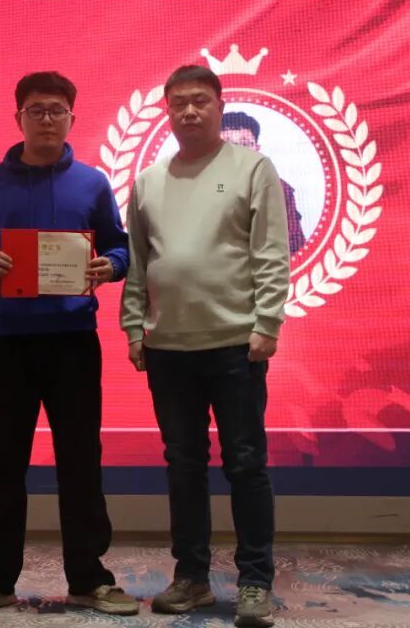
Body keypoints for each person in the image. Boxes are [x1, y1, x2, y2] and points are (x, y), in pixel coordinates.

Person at [0, 71, 137, 617]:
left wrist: (110, 265)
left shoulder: (92, 184)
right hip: (8, 344)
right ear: (19, 118)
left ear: (72, 118)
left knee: (81, 462)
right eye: (36, 110)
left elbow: (121, 248)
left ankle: (89, 578)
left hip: (73, 343)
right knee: (5, 463)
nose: (46, 119)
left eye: (56, 110)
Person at [120, 65, 290, 627]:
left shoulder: (252, 168)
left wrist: (268, 322)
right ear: (166, 112)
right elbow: (139, 262)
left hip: (236, 344)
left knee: (246, 464)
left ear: (220, 105)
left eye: (200, 100)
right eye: (178, 103)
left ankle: (255, 582)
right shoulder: (149, 181)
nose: (189, 111)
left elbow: (270, 252)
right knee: (183, 466)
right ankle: (191, 577)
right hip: (168, 348)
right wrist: (133, 326)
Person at [220, 111, 307, 253]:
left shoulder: (279, 187)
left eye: (245, 144)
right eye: (229, 145)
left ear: (257, 149)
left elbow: (295, 241)